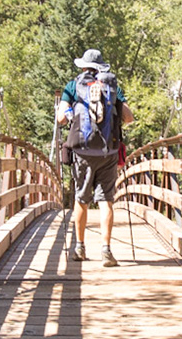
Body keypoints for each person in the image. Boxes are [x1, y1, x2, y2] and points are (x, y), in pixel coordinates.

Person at [56, 48, 131, 266]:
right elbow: (128, 118)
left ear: (83, 67)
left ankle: (79, 248)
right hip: (108, 151)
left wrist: (68, 114)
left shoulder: (73, 86)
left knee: (82, 198)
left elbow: (61, 117)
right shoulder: (112, 86)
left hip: (82, 151)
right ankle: (106, 250)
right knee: (106, 200)